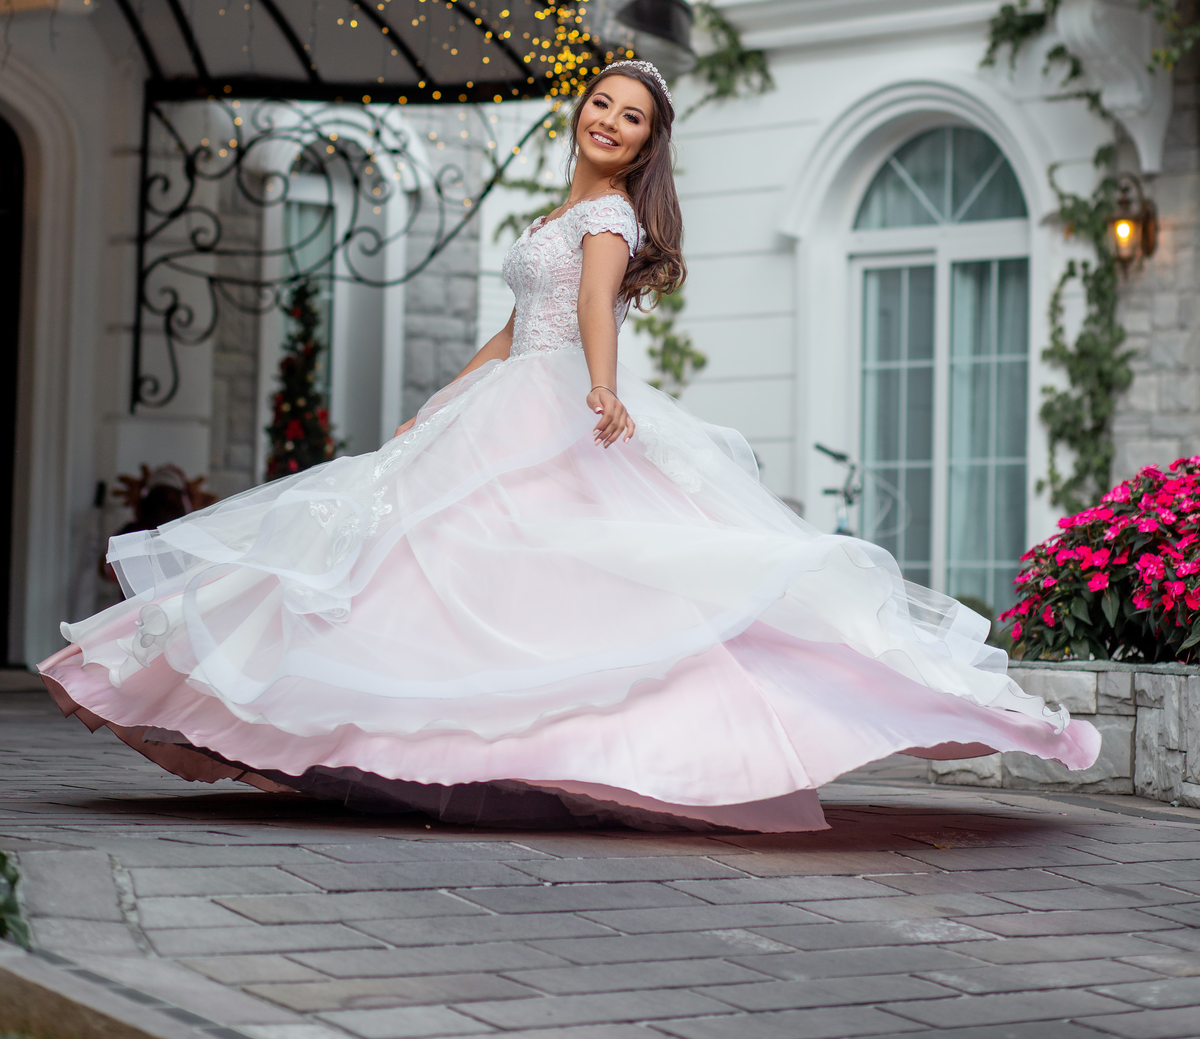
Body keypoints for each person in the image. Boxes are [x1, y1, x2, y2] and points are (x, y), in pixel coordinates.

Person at [39, 60, 1100, 833]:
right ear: (582, 114)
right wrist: (438, 403)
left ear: (647, 143)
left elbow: (594, 307)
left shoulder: (610, 225)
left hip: (556, 399)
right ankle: (394, 741)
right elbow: (512, 328)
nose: (610, 122)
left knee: (542, 579)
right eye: (602, 104)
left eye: (631, 118)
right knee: (427, 567)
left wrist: (597, 388)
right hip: (508, 392)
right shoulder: (568, 208)